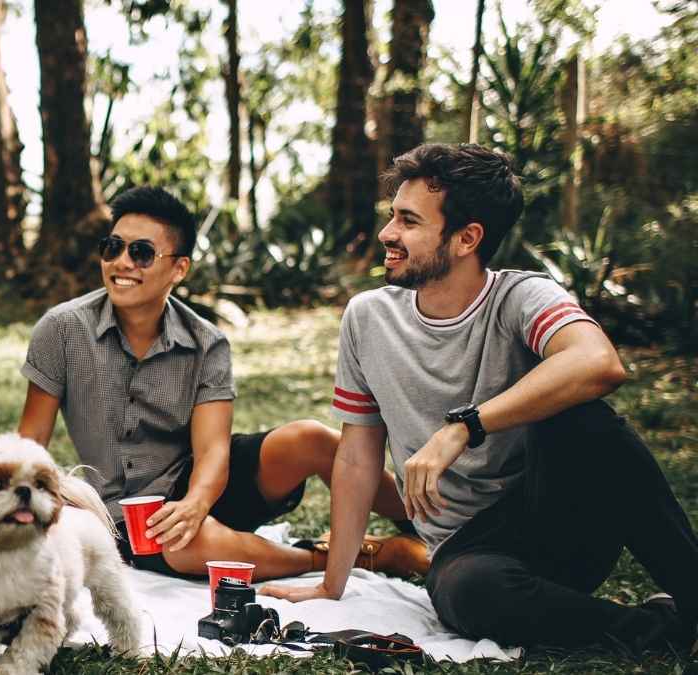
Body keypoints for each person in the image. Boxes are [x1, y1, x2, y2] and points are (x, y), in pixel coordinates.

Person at [260, 143, 698, 653]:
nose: (387, 234)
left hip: (556, 519)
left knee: (585, 419)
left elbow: (599, 363)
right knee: (467, 593)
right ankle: (661, 631)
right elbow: (357, 456)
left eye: (407, 221)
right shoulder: (368, 318)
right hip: (468, 555)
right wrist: (331, 585)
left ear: (467, 238)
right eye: (391, 216)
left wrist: (464, 426)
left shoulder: (522, 296)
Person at [17, 185, 427, 581]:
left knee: (311, 438)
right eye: (112, 247)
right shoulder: (63, 330)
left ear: (178, 268)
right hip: (126, 514)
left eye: (141, 253)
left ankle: (432, 530)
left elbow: (213, 450)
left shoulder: (206, 343)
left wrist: (195, 503)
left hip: (202, 482)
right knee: (187, 544)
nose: (122, 262)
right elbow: (30, 441)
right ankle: (355, 556)